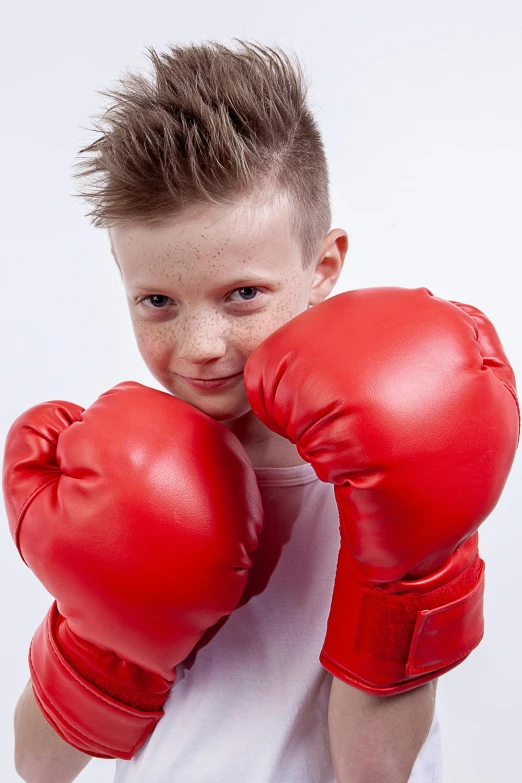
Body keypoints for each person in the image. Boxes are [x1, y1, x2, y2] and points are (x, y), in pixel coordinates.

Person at [6, 40, 519, 783]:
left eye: (242, 294)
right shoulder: (119, 470)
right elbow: (37, 765)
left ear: (324, 267)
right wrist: (107, 636)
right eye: (157, 302)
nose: (201, 346)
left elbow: (375, 773)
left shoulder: (387, 457)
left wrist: (411, 578)